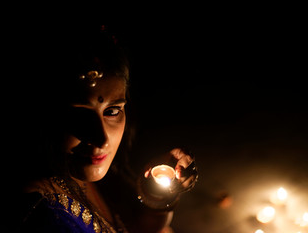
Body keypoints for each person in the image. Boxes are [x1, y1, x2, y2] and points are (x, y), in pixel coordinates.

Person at [11, 24, 198, 233]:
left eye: (112, 111)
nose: (101, 139)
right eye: (79, 117)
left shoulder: (78, 173)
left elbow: (137, 228)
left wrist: (157, 192)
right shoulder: (43, 216)